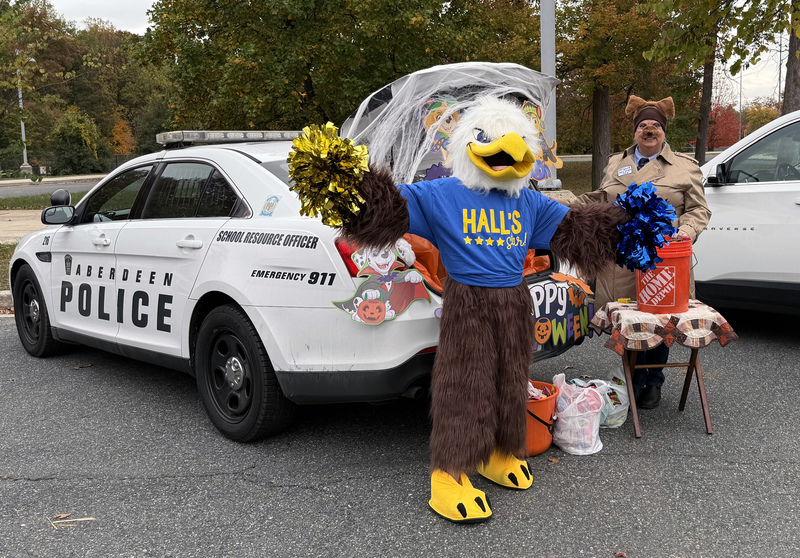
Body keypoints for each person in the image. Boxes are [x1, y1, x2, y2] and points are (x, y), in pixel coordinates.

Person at [573, 95, 711, 409]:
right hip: (623, 258)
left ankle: (654, 380)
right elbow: (602, 197)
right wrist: (570, 204)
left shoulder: (685, 168)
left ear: (664, 131)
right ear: (635, 131)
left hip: (664, 259)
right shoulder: (615, 162)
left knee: (659, 319)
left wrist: (683, 233)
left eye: (655, 126)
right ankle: (631, 377)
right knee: (629, 317)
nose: (649, 130)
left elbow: (699, 211)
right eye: (643, 126)